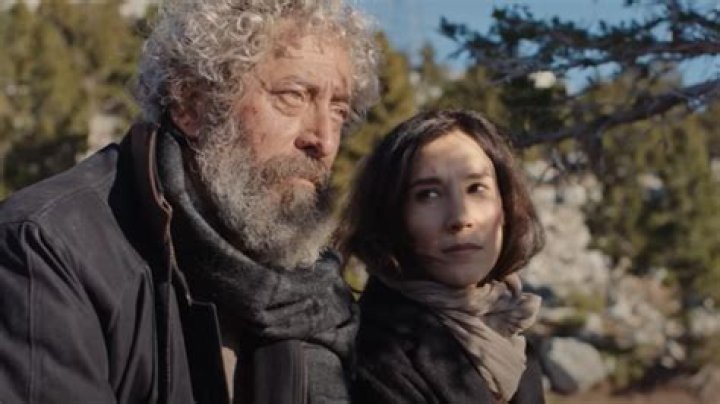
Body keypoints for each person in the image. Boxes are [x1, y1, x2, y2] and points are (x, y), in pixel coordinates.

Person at [0, 1, 379, 403]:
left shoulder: (316, 289)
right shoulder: (47, 249)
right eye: (293, 95)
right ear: (191, 104)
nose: (324, 140)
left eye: (339, 110)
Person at [338, 110, 546, 404]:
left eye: (476, 188)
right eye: (429, 195)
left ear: (505, 207)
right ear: (393, 216)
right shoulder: (377, 356)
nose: (460, 217)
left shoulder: (508, 333)